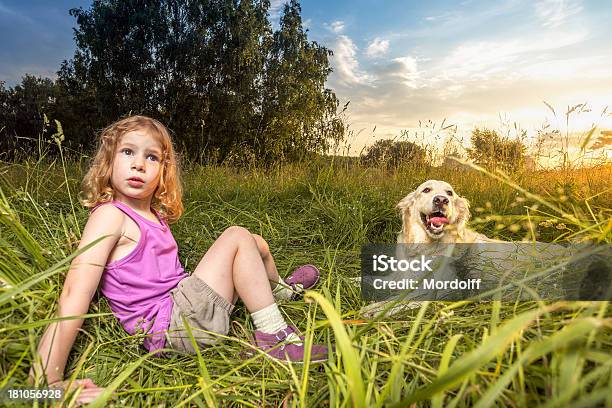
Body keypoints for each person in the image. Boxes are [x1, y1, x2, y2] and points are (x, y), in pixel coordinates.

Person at [29, 115, 328, 404]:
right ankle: (274, 336)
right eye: (128, 152)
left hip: (181, 308)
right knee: (237, 236)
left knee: (255, 243)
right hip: (168, 327)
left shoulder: (153, 215)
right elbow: (74, 292)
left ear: (164, 170)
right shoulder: (110, 215)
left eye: (152, 157)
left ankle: (280, 293)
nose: (138, 163)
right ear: (108, 161)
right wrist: (47, 379)